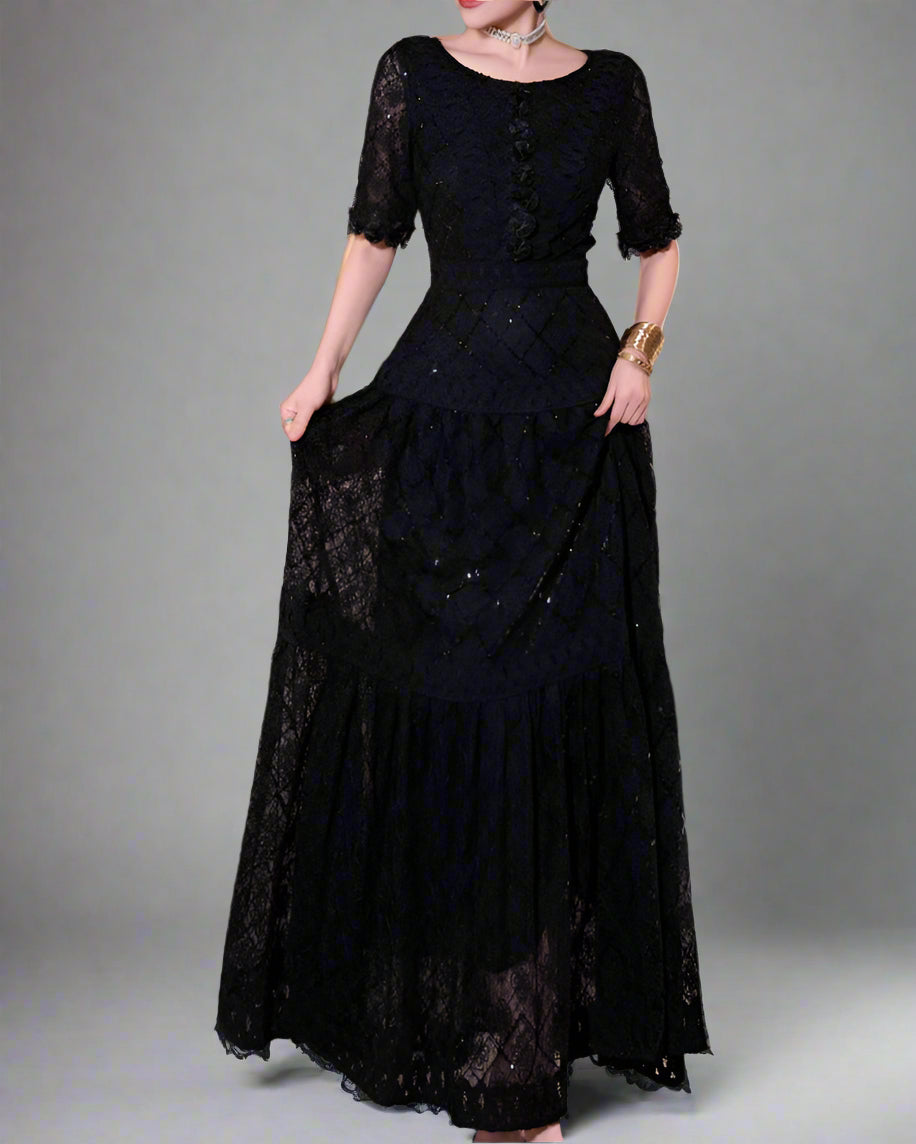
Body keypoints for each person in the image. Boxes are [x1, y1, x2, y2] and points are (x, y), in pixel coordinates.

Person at [214, 3, 713, 1141]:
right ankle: (452, 1024)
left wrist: (641, 355)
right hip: (441, 419)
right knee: (449, 703)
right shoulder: (411, 72)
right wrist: (322, 368)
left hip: (576, 428)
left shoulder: (613, 83)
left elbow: (658, 243)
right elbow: (375, 234)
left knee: (554, 713)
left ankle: (519, 1062)